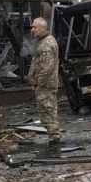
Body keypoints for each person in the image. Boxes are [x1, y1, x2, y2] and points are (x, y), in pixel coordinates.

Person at [28, 16, 62, 157]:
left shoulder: (47, 44)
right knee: (45, 111)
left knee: (49, 111)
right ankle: (53, 139)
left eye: (35, 27)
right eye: (32, 27)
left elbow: (48, 67)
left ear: (43, 27)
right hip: (44, 85)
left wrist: (38, 82)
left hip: (46, 85)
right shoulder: (43, 42)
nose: (32, 30)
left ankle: (55, 142)